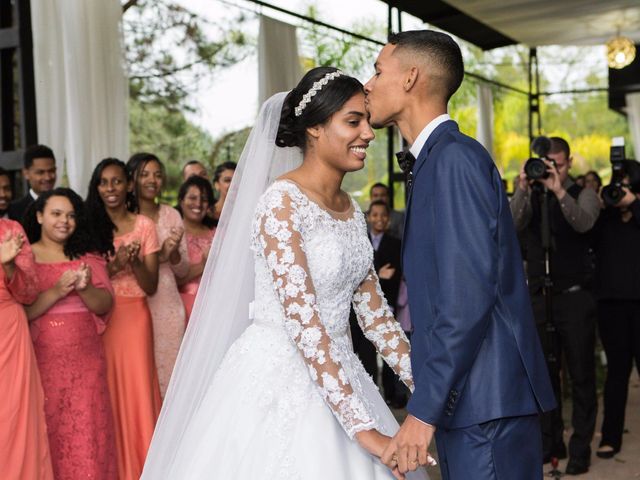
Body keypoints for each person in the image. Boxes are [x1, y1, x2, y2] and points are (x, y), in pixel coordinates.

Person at [142, 67, 430, 480]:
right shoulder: (281, 203)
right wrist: (363, 431)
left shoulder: (351, 210)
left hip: (341, 368)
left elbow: (377, 318)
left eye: (367, 120)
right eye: (353, 121)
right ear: (314, 128)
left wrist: (429, 390)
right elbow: (304, 322)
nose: (368, 133)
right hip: (279, 376)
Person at [364, 30, 555, 480]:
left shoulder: (452, 161)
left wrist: (422, 413)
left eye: (377, 71)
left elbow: (466, 297)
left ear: (411, 77)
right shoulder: (434, 160)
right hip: (468, 400)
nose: (368, 84)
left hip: (487, 401)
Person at [510, 136, 600, 474]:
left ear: (569, 162)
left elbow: (584, 222)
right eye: (547, 164)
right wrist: (522, 187)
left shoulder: (583, 193)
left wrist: (559, 190)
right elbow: (511, 223)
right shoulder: (531, 194)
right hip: (538, 298)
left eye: (557, 165)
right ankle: (550, 443)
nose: (551, 171)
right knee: (542, 377)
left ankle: (580, 447)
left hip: (575, 297)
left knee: (580, 375)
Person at [23, 188, 117, 479]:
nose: (64, 221)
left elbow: (105, 305)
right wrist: (55, 292)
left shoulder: (86, 256)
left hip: (86, 358)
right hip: (43, 358)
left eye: (71, 215)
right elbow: (20, 314)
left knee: (88, 426)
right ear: (39, 216)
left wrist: (86, 289)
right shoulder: (25, 258)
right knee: (49, 425)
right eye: (56, 213)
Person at [86, 158, 161, 480]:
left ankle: (146, 464)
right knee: (107, 388)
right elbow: (89, 277)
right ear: (97, 187)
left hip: (135, 316)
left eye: (116, 181)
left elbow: (152, 285)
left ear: (128, 185)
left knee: (138, 389)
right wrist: (114, 265)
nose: (110, 188)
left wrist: (134, 265)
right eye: (104, 182)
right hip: (100, 317)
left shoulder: (144, 225)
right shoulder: (89, 226)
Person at [128, 153, 189, 397]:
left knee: (170, 377)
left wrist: (172, 255)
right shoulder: (124, 217)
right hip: (133, 301)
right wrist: (159, 254)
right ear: (131, 178)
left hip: (167, 304)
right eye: (144, 174)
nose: (152, 180)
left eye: (157, 174)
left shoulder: (171, 215)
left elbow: (183, 272)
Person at [591, 169, 640, 459]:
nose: (619, 193)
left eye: (625, 187)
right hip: (611, 305)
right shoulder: (607, 218)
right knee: (616, 375)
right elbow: (588, 239)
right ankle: (610, 436)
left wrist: (634, 204)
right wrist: (602, 206)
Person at [0, 217, 54, 480]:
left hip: (9, 335)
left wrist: (10, 266)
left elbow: (30, 293)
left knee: (13, 418)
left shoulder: (11, 230)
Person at [368, 199, 406, 408]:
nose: (379, 219)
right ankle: (372, 393)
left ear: (389, 219)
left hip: (388, 302)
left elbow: (396, 272)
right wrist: (378, 274)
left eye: (383, 215)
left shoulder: (395, 243)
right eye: (375, 215)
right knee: (367, 352)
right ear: (368, 217)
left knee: (390, 348)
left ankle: (394, 394)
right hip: (362, 306)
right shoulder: (361, 239)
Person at [176, 175, 216, 320]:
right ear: (181, 201)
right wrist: (203, 266)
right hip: (184, 307)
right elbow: (169, 279)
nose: (198, 204)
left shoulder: (217, 233)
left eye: (204, 199)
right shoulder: (174, 233)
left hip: (216, 305)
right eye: (192, 198)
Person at [8, 145, 57, 222]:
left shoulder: (66, 205)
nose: (47, 177)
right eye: (40, 172)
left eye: (51, 171)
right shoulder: (13, 210)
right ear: (26, 173)